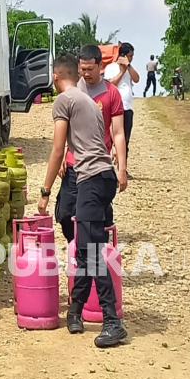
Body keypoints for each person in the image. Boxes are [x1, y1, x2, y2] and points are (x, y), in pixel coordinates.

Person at [38, 53, 128, 348]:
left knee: (90, 254)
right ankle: (75, 312)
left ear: (55, 76)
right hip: (106, 178)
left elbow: (57, 149)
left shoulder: (64, 100)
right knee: (87, 249)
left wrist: (45, 191)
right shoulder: (87, 100)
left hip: (89, 178)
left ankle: (112, 322)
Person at [55, 45, 127, 243]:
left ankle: (94, 257)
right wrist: (60, 158)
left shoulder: (111, 94)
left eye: (89, 69)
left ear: (100, 66)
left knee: (97, 218)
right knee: (65, 213)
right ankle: (77, 246)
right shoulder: (72, 90)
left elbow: (119, 133)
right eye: (82, 69)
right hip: (73, 163)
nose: (85, 74)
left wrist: (122, 168)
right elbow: (62, 130)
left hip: (96, 165)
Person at [104, 42, 138, 178]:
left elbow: (137, 79)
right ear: (123, 55)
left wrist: (128, 67)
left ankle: (122, 168)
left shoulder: (130, 69)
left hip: (127, 107)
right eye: (130, 56)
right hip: (114, 108)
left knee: (126, 139)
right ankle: (108, 167)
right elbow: (110, 84)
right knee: (111, 139)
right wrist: (122, 71)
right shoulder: (111, 68)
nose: (131, 58)